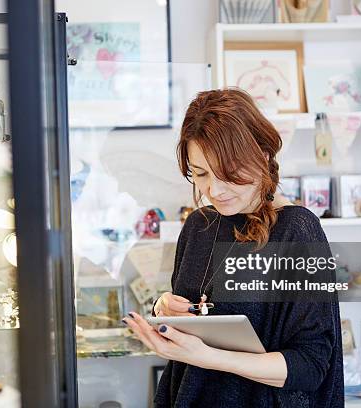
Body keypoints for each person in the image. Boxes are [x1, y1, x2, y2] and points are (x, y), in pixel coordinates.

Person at [122, 88, 344, 407]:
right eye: (200, 174)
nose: (213, 189)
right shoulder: (198, 226)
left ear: (263, 155)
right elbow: (194, 315)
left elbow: (310, 366)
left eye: (228, 173)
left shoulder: (297, 231)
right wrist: (164, 309)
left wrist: (209, 357)